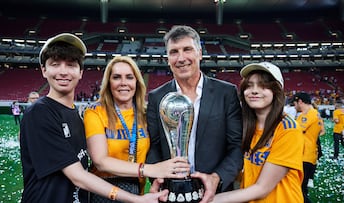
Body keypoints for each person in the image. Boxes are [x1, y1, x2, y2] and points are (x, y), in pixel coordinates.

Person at [19, 33, 168, 203]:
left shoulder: (74, 113)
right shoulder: (40, 112)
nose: (63, 72)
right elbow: (78, 176)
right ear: (44, 70)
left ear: (80, 72)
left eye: (71, 65)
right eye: (55, 64)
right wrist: (135, 199)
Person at [146, 25, 243, 202]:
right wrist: (157, 178)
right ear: (167, 59)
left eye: (187, 49)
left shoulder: (226, 93)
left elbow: (236, 146)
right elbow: (154, 146)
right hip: (171, 194)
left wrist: (217, 178)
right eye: (174, 52)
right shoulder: (156, 97)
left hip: (216, 195)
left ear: (199, 53)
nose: (181, 58)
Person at [83, 55, 190, 202]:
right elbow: (100, 161)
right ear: (108, 82)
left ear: (137, 82)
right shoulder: (95, 112)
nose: (123, 83)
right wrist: (149, 169)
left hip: (137, 193)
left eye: (129, 77)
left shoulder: (145, 114)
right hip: (104, 192)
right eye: (116, 77)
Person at [211, 62, 304, 202]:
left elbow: (262, 188)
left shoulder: (288, 129)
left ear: (276, 90)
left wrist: (210, 200)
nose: (254, 91)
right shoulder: (244, 126)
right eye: (249, 85)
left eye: (263, 86)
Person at [293, 92, 322, 203]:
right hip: (310, 154)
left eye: (295, 103)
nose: (295, 106)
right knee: (302, 189)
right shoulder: (315, 113)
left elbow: (296, 130)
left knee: (299, 190)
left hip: (304, 155)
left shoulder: (308, 114)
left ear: (300, 101)